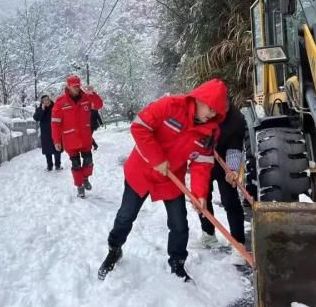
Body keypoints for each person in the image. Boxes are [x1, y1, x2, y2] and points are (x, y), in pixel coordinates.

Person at [98, 79, 228, 282]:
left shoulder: (209, 132)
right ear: (199, 98)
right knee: (126, 216)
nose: (211, 114)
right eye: (209, 108)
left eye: (216, 112)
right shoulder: (170, 105)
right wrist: (156, 158)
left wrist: (200, 194)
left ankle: (177, 263)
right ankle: (114, 249)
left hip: (171, 178)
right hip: (141, 170)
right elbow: (139, 127)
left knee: (179, 225)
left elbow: (201, 163)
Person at [198, 103, 247, 265]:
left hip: (224, 162)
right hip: (203, 161)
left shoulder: (236, 119)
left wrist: (232, 170)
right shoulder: (203, 110)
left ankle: (239, 244)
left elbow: (235, 146)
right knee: (202, 197)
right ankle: (208, 235)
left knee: (230, 201)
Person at [51, 75, 103, 198]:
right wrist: (56, 140)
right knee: (76, 165)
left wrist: (93, 94)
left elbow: (98, 105)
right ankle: (80, 186)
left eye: (78, 86)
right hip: (70, 139)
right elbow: (55, 123)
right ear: (68, 86)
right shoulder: (60, 102)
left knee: (88, 162)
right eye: (74, 87)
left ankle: (85, 178)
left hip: (85, 137)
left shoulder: (87, 98)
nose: (76, 89)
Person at [33, 95, 62, 171]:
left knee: (57, 148)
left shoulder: (55, 107)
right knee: (47, 150)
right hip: (45, 132)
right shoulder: (40, 109)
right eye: (44, 100)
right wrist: (42, 110)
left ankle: (58, 165)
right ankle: (49, 166)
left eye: (47, 99)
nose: (47, 101)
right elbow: (36, 118)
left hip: (55, 131)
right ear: (42, 102)